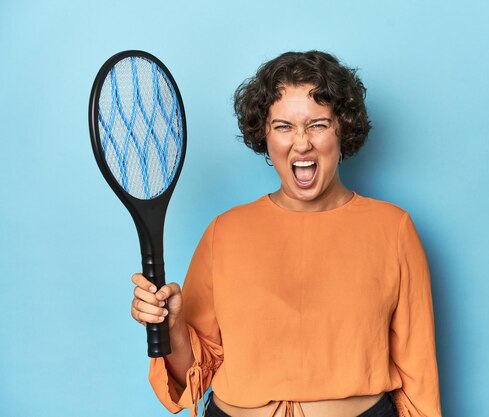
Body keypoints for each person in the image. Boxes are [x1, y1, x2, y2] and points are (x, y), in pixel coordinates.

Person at [130, 50, 442, 417]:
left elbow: (418, 375)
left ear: (343, 127)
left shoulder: (393, 229)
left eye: (318, 124)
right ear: (264, 134)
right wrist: (174, 327)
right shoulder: (224, 232)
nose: (301, 142)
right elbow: (190, 377)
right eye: (283, 126)